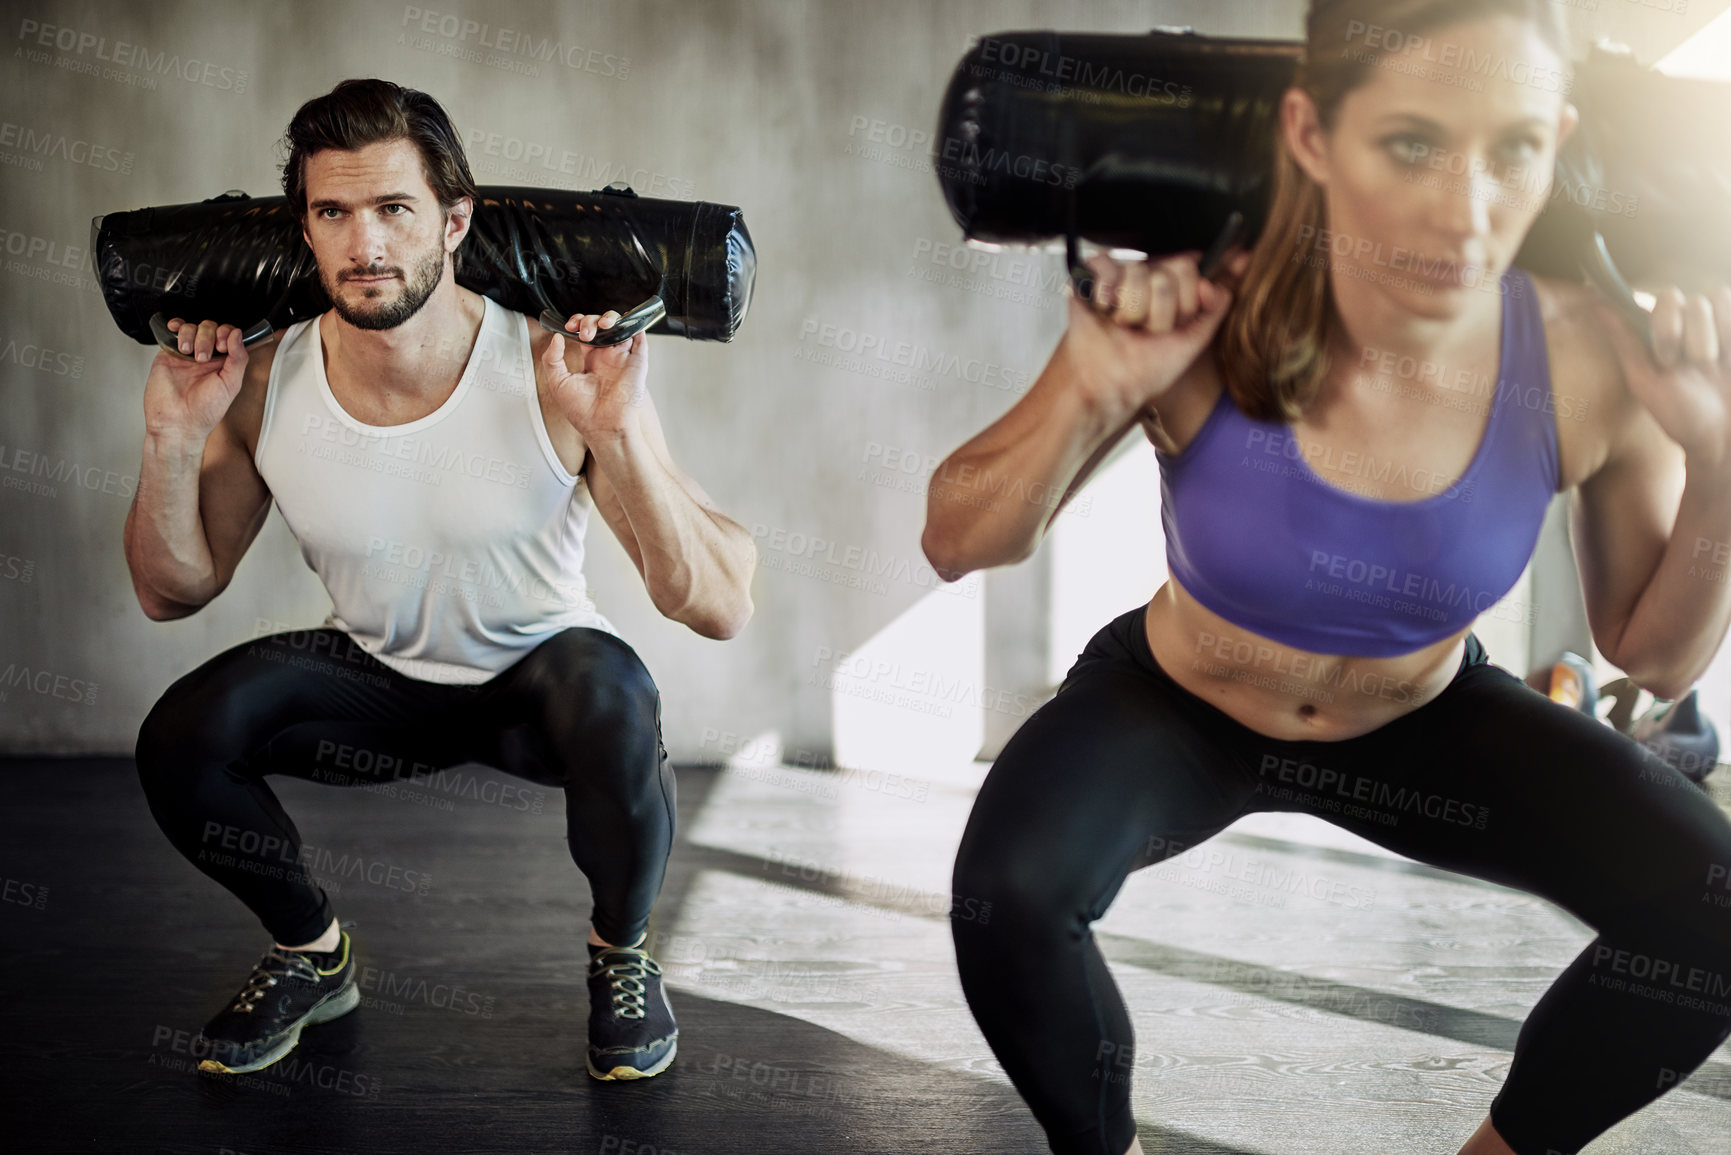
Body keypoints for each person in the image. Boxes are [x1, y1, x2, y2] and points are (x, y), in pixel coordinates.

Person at [922, 3, 1731, 1153]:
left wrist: (1723, 462)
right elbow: (959, 539)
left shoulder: (1593, 357)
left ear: (1561, 137)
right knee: (1009, 898)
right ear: (1312, 134)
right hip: (1182, 708)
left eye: (1512, 150)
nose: (1467, 213)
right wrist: (1093, 385)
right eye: (1412, 143)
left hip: (1423, 728)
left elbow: (1652, 654)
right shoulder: (1207, 300)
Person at [125, 79, 755, 1083]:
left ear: (455, 221)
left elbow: (716, 603)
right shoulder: (266, 378)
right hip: (374, 676)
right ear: (305, 229)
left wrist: (616, 436)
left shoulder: (557, 362)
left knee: (618, 698)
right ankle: (312, 953)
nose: (364, 242)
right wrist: (172, 435)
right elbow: (172, 589)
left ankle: (621, 954)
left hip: (537, 681)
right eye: (333, 213)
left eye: (394, 210)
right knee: (182, 736)